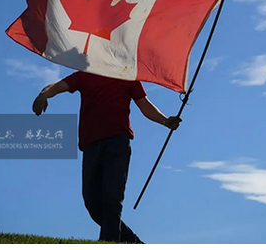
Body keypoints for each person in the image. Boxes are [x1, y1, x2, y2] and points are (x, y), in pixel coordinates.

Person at [32, 70, 181, 243]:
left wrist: (165, 121)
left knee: (112, 198)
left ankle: (109, 242)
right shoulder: (86, 74)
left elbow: (145, 105)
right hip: (91, 145)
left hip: (118, 142)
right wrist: (44, 94)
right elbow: (57, 87)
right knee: (92, 203)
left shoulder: (127, 76)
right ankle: (133, 243)